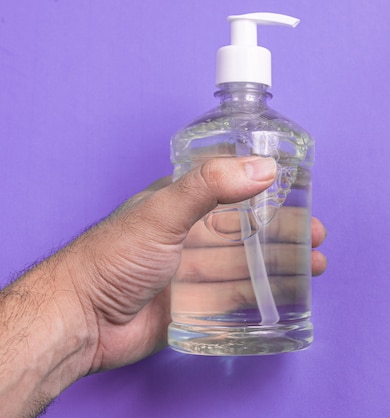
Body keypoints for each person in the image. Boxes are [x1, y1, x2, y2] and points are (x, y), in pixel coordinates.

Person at [0, 157, 328, 417]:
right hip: (194, 328)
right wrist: (88, 301)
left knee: (292, 248)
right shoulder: (209, 135)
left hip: (265, 327)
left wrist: (87, 309)